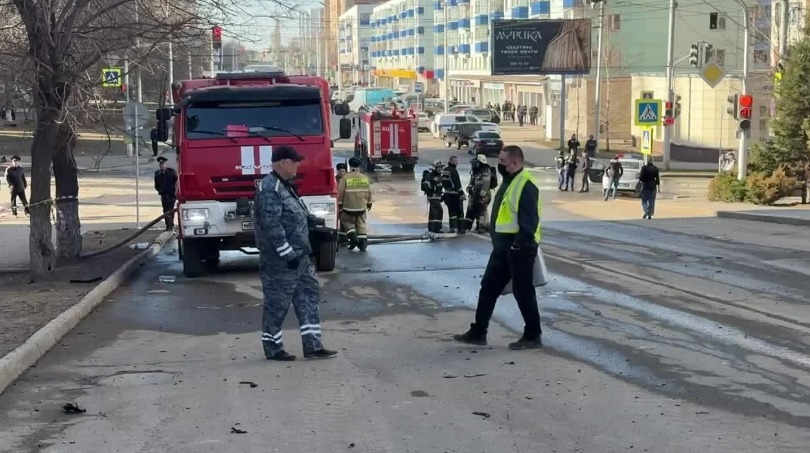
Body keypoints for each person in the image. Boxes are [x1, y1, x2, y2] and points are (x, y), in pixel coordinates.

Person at [453, 145, 543, 350]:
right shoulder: (510, 181)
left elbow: (529, 220)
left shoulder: (526, 184)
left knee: (523, 292)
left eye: (502, 161)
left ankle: (533, 335)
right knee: (488, 287)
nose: (499, 164)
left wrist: (519, 244)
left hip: (518, 248)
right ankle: (479, 331)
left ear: (515, 163)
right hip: (502, 248)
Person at [253, 145, 338, 361]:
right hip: (281, 261)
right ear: (283, 163)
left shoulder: (284, 186)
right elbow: (272, 226)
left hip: (301, 258)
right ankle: (273, 349)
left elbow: (295, 214)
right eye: (295, 161)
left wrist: (316, 224)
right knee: (277, 303)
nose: (298, 165)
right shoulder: (269, 188)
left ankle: (313, 346)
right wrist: (287, 254)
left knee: (309, 298)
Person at [338, 156, 373, 251]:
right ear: (359, 165)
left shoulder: (345, 178)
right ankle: (363, 243)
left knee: (346, 221)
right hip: (361, 207)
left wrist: (340, 205)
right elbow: (369, 192)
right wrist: (369, 203)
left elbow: (340, 193)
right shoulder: (365, 178)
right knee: (361, 223)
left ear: (350, 166)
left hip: (348, 208)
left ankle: (353, 238)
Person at [461, 154, 493, 234]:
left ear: (480, 162)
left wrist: (482, 195)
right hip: (475, 194)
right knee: (473, 209)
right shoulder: (475, 172)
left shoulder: (485, 170)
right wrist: (469, 189)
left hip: (484, 195)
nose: (474, 165)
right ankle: (469, 226)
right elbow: (471, 182)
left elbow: (486, 184)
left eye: (476, 163)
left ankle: (482, 227)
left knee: (481, 210)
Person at [441, 155, 465, 233]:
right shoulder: (453, 171)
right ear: (451, 161)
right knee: (459, 212)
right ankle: (461, 228)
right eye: (455, 161)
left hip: (447, 194)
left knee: (451, 212)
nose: (457, 163)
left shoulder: (444, 170)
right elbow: (457, 183)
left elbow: (442, 182)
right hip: (455, 195)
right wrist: (462, 194)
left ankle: (453, 227)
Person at [154, 156, 178, 230]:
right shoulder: (157, 174)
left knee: (171, 210)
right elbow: (156, 185)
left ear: (166, 164)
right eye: (160, 164)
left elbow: (177, 182)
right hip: (164, 195)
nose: (162, 165)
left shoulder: (172, 172)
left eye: (163, 164)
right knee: (165, 210)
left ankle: (171, 225)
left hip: (171, 194)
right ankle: (168, 226)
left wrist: (175, 192)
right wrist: (160, 191)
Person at [421, 160, 445, 233]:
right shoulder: (431, 176)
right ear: (435, 167)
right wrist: (432, 186)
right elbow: (427, 186)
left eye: (441, 167)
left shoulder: (439, 176)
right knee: (439, 211)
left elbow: (440, 186)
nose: (440, 169)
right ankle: (437, 228)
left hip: (437, 196)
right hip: (433, 197)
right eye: (438, 167)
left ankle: (431, 227)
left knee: (432, 212)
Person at [335, 162, 349, 245]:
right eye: (340, 171)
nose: (341, 173)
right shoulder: (334, 180)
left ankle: (343, 236)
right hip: (337, 203)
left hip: (345, 203)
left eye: (343, 171)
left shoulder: (348, 180)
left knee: (344, 220)